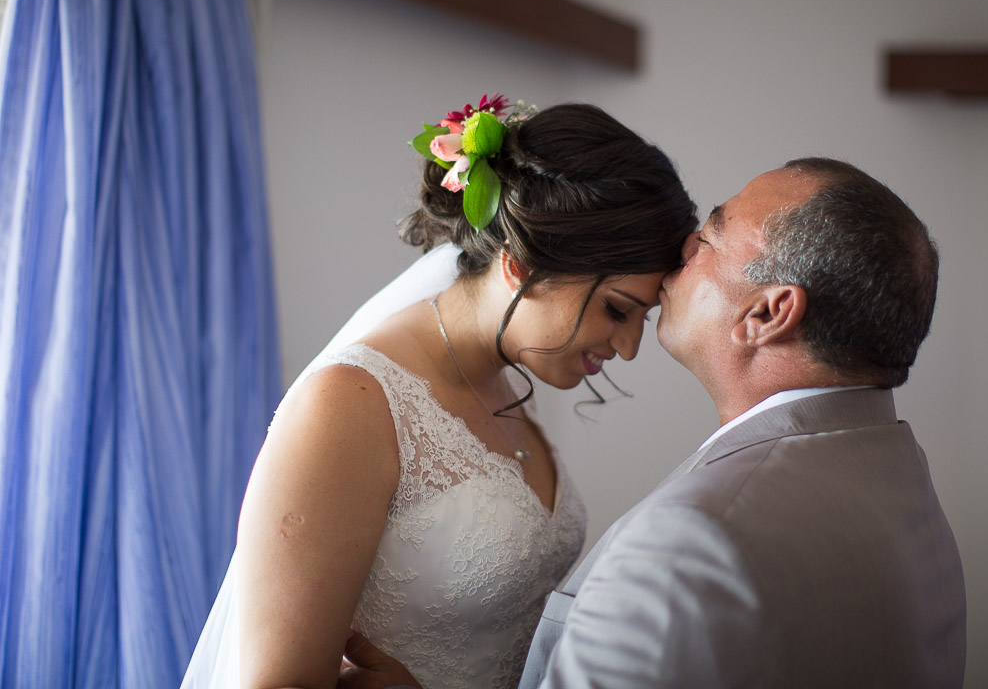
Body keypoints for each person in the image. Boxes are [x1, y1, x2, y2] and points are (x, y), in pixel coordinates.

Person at [337, 157, 966, 687]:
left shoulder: (691, 543)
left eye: (710, 238)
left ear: (770, 312)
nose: (680, 252)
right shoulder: (903, 485)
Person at [179, 98, 698, 689]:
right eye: (617, 311)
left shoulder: (503, 383)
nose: (629, 348)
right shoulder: (349, 403)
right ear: (521, 265)